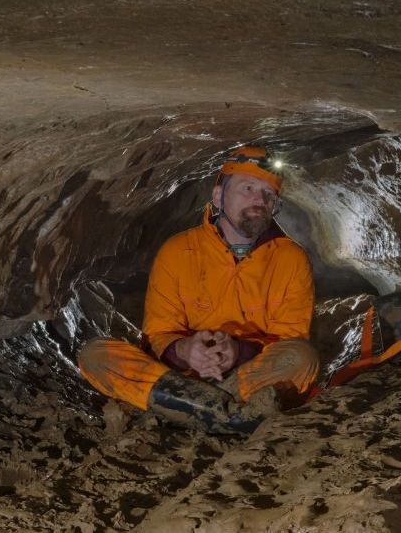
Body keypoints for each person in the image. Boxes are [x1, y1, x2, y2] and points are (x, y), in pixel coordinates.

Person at [77, 145, 319, 434]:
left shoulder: (291, 258)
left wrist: (237, 351)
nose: (259, 199)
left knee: (302, 358)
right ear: (218, 197)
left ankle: (178, 409)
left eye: (269, 194)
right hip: (181, 375)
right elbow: (158, 332)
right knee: (95, 355)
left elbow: (290, 338)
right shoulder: (177, 251)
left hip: (247, 375)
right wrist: (185, 350)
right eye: (248, 188)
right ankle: (231, 415)